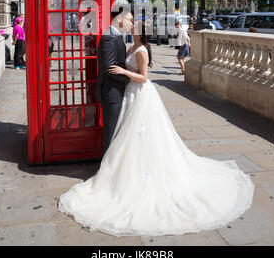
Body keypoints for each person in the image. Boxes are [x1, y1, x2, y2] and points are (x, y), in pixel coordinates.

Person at [58, 21, 254, 237]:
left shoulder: (141, 50)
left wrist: (123, 71)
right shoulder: (130, 46)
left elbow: (144, 77)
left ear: (140, 33)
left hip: (140, 94)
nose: (130, 27)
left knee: (141, 135)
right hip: (129, 95)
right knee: (127, 136)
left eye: (134, 26)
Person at [95, 8, 133, 153]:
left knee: (116, 133)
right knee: (111, 134)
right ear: (119, 19)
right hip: (112, 93)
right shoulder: (110, 37)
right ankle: (107, 171)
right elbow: (110, 67)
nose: (131, 24)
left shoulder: (115, 36)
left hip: (115, 91)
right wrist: (129, 79)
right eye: (129, 20)